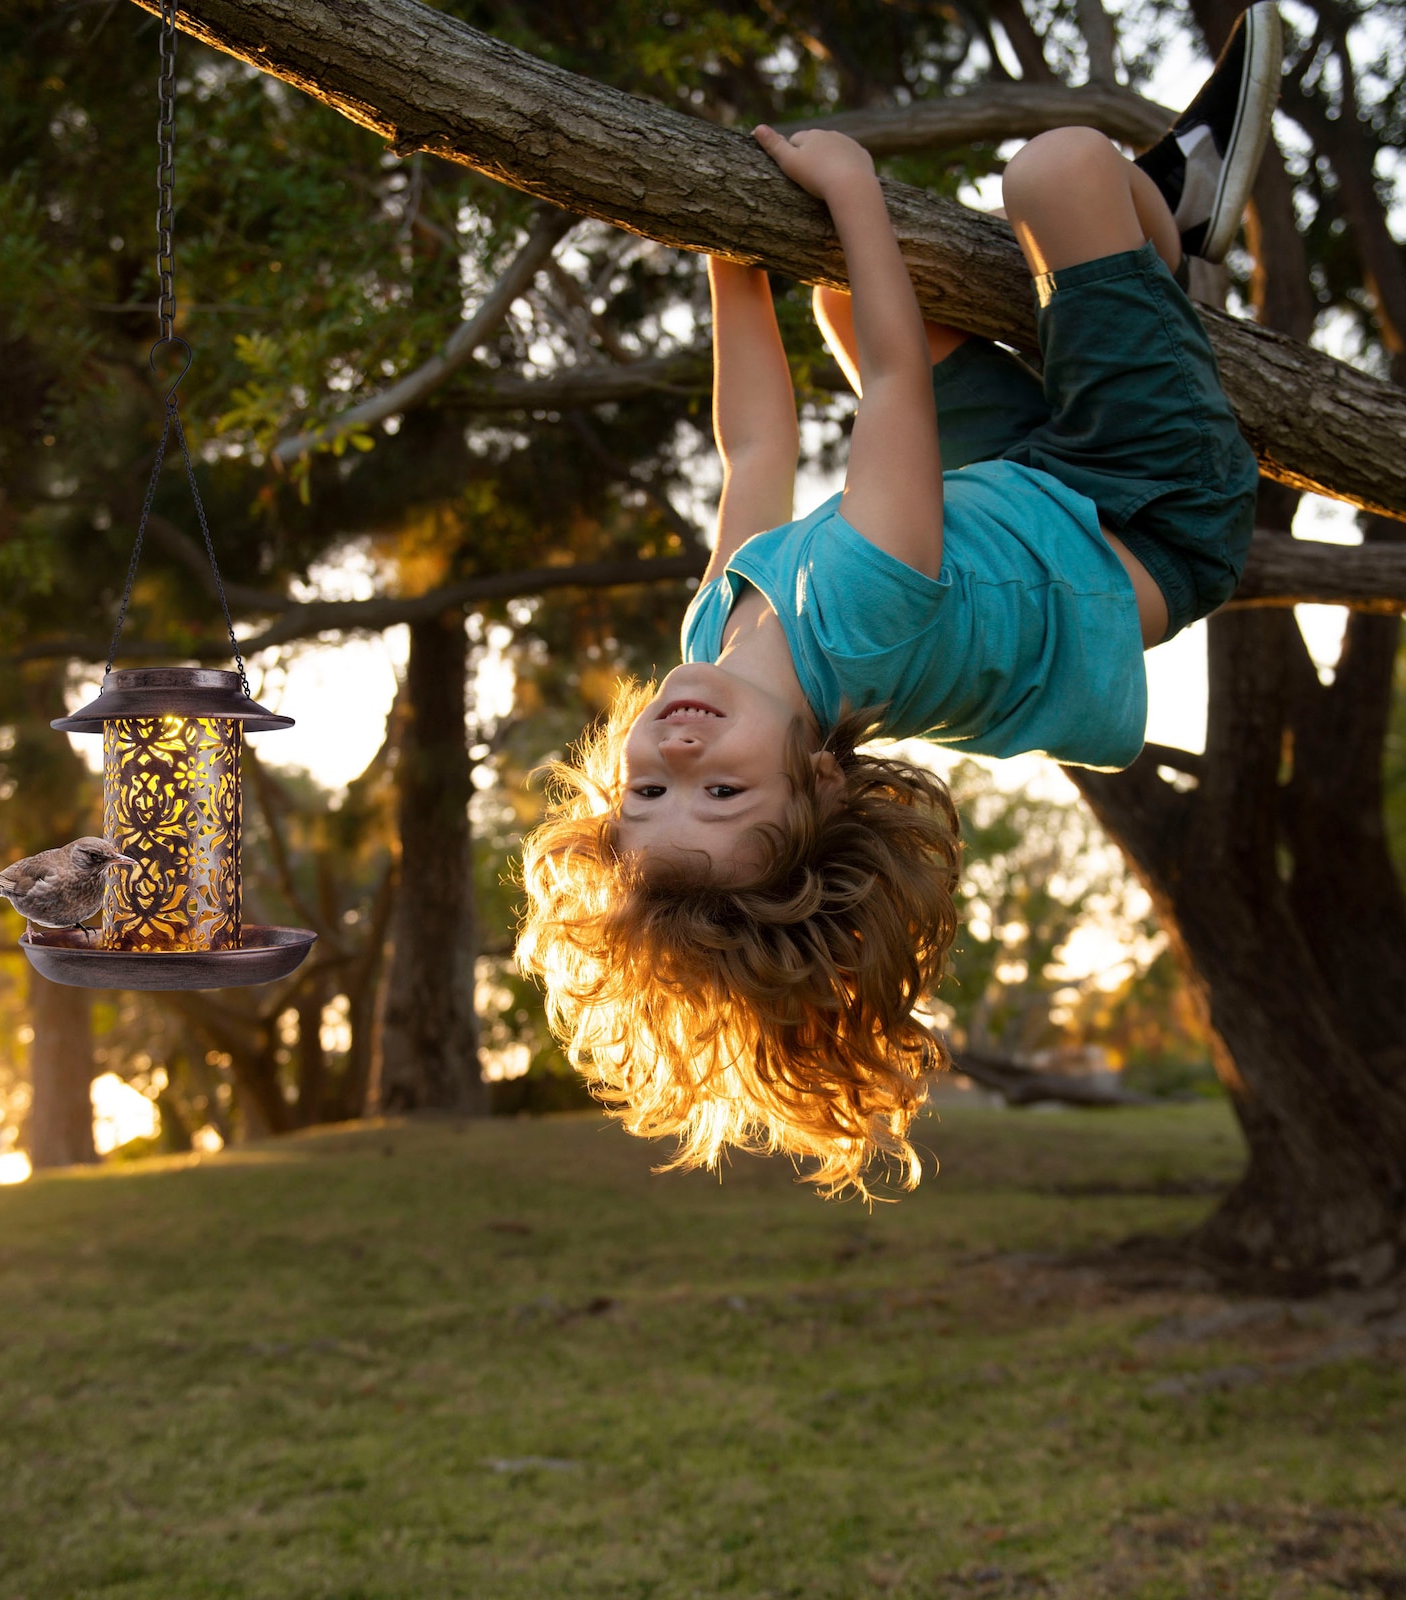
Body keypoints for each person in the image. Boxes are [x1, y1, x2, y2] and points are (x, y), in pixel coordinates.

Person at [518, 4, 1282, 1195]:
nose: (674, 749)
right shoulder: (866, 625)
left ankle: (1129, 293)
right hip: (1151, 512)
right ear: (820, 775)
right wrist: (852, 187)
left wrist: (734, 263)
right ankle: (1176, 239)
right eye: (721, 792)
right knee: (1060, 170)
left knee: (833, 297)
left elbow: (755, 447)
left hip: (1020, 489)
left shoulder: (715, 636)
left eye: (650, 790)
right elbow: (887, 389)